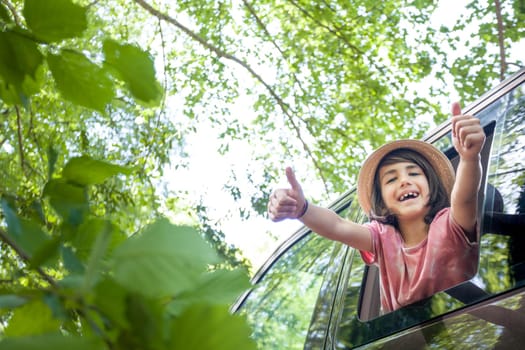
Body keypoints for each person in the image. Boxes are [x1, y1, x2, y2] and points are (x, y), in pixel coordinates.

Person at [267, 102, 486, 312]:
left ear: (432, 185)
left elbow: (464, 198)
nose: (404, 181)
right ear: (382, 202)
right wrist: (303, 209)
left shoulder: (450, 224)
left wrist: (469, 158)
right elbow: (337, 226)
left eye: (413, 173)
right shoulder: (382, 238)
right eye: (391, 179)